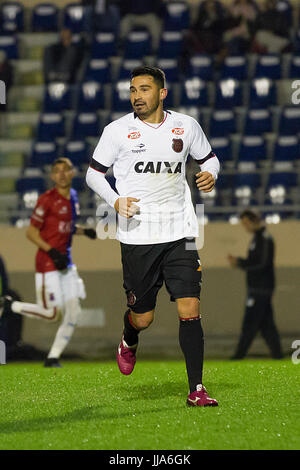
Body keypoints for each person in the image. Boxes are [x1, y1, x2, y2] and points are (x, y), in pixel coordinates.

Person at [86, 65, 220, 407]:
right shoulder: (117, 131)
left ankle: (197, 389)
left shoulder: (186, 125)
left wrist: (209, 174)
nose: (136, 96)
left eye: (144, 89)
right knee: (143, 317)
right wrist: (115, 200)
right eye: (132, 90)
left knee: (190, 307)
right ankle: (130, 336)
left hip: (182, 231)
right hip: (138, 237)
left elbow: (210, 159)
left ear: (161, 92)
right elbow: (93, 175)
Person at [0, 158, 97, 367]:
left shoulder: (72, 197)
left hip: (66, 264)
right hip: (47, 264)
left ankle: (53, 357)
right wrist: (52, 252)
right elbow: (31, 232)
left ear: (72, 173)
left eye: (65, 170)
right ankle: (11, 306)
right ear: (52, 176)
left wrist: (84, 231)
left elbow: (66, 227)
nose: (61, 174)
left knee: (73, 311)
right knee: (52, 314)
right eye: (57, 171)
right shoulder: (46, 199)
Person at [228, 209, 283, 360]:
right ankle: (278, 356)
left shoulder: (265, 239)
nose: (245, 227)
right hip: (258, 288)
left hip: (261, 289)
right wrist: (241, 261)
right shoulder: (257, 239)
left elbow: (262, 264)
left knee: (249, 324)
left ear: (254, 221)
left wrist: (240, 263)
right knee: (267, 326)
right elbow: (256, 262)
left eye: (246, 223)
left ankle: (238, 357)